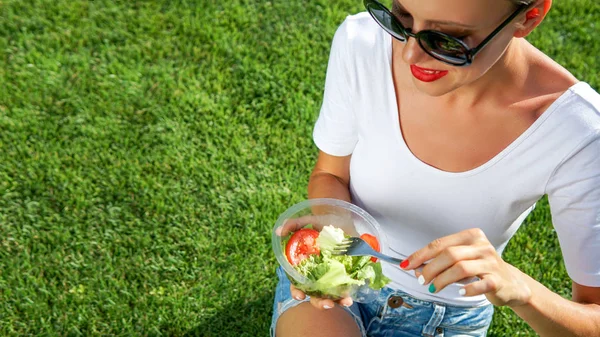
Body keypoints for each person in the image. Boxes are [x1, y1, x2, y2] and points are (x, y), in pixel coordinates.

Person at [271, 0, 600, 336]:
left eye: (448, 39)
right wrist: (336, 235)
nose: (409, 55)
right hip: (348, 270)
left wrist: (520, 288)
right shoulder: (364, 42)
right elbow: (330, 174)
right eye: (401, 19)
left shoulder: (578, 134)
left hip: (446, 315)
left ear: (529, 17)